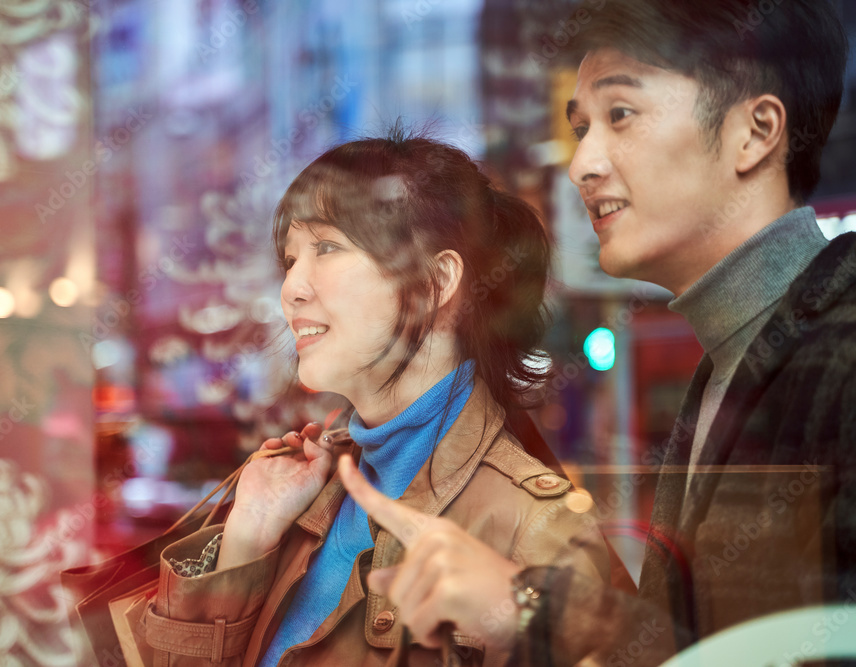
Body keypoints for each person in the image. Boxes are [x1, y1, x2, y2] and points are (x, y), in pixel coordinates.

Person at [334, 1, 856, 665]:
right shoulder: (730, 362)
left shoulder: (839, 350)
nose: (582, 164)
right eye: (579, 128)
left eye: (620, 116)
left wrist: (532, 606)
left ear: (756, 132)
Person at [134, 130, 615, 666]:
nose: (291, 287)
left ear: (436, 282)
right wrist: (246, 539)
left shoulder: (537, 530)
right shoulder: (308, 491)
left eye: (328, 248)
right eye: (291, 259)